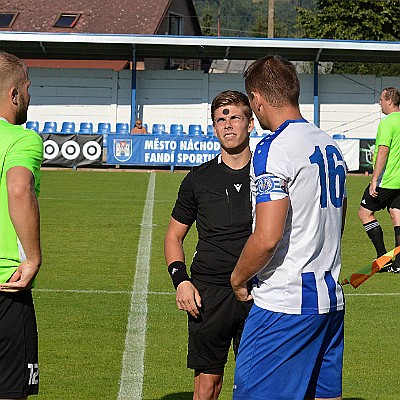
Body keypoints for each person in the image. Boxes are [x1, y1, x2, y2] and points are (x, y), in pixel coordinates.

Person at [230, 55, 347, 400]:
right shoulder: (329, 144)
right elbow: (335, 227)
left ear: (257, 99)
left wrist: (237, 278)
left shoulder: (273, 148)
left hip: (285, 306)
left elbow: (267, 238)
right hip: (329, 303)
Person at [164, 90, 254, 400]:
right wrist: (181, 281)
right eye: (220, 119)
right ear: (214, 128)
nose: (228, 125)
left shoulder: (270, 172)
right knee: (208, 383)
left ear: (250, 123)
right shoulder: (197, 179)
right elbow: (173, 236)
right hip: (209, 292)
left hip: (259, 291)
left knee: (256, 382)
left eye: (235, 117)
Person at [0, 51, 44, 399]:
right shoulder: (21, 138)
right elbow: (18, 187)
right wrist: (32, 257)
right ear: (15, 94)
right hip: (7, 286)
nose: (29, 95)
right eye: (27, 87)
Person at [358, 87, 400, 273]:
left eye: (382, 99)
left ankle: (383, 259)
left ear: (390, 100)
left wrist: (374, 179)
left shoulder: (387, 122)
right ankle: (398, 263)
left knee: (364, 213)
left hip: (387, 180)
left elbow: (383, 151)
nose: (380, 103)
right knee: (397, 216)